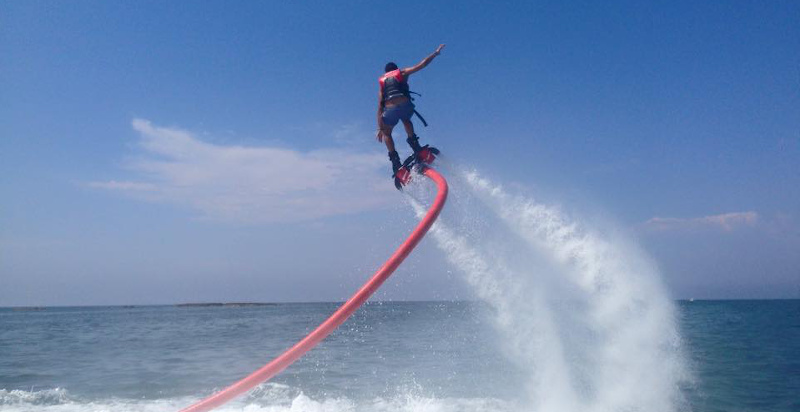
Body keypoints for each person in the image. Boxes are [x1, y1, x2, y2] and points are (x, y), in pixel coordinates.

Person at [377, 44, 445, 175]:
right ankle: (415, 146)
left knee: (387, 133)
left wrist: (380, 127)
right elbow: (422, 65)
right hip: (404, 105)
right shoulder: (401, 73)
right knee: (406, 119)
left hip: (390, 108)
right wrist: (435, 53)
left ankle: (395, 161)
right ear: (396, 69)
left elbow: (380, 105)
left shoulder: (382, 83)